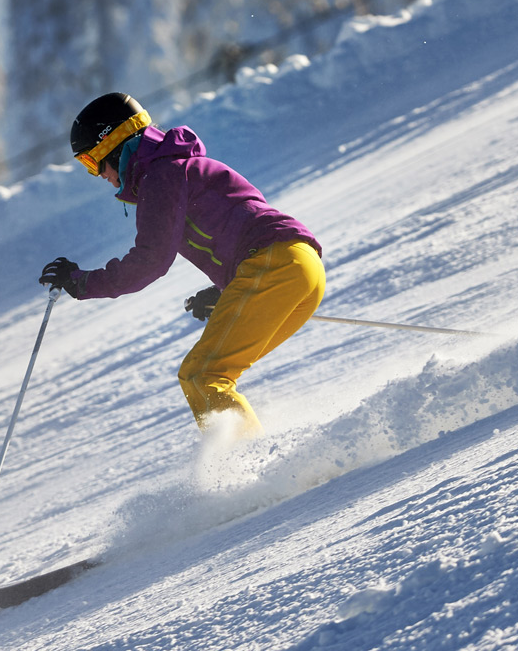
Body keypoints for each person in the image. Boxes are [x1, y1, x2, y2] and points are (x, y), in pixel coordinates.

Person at [39, 93, 325, 434]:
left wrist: (82, 282)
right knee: (212, 372)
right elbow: (239, 224)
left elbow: (151, 260)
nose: (97, 175)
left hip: (274, 265)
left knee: (201, 374)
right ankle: (259, 468)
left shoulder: (161, 175)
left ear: (110, 145)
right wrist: (229, 290)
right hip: (298, 265)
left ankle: (251, 470)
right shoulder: (177, 169)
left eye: (90, 162)